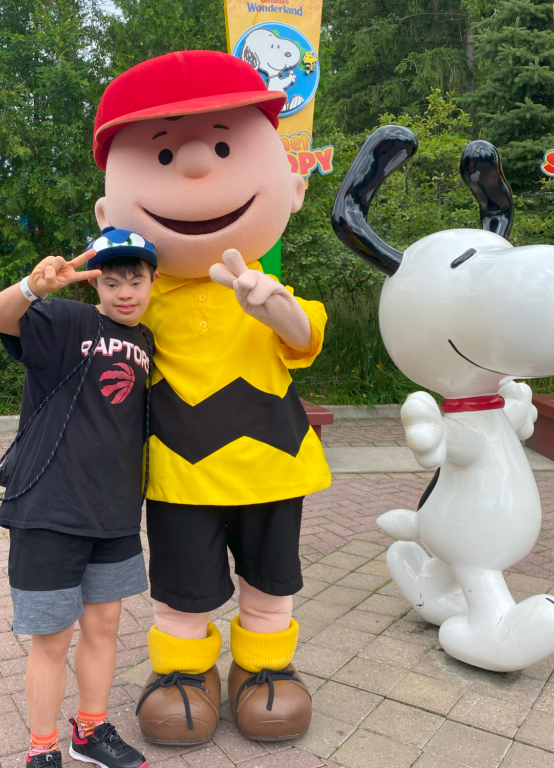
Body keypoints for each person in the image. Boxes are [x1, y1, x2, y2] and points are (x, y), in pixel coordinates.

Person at [91, 50, 331, 744]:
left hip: (272, 468)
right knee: (181, 586)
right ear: (109, 212)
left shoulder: (268, 289)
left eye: (224, 146)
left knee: (270, 576)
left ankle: (264, 668)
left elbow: (304, 338)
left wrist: (273, 304)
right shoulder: (140, 298)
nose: (197, 164)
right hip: (179, 474)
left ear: (294, 189)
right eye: (164, 155)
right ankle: (184, 674)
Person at [0, 230, 157, 768]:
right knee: (52, 639)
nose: (125, 291)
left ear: (152, 283)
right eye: (111, 281)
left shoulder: (148, 340)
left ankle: (91, 730)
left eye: (136, 280)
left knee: (104, 627)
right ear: (96, 286)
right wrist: (33, 289)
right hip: (50, 510)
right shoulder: (67, 321)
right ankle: (42, 749)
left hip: (116, 513)